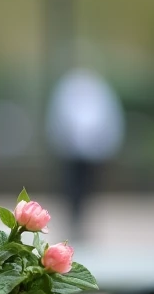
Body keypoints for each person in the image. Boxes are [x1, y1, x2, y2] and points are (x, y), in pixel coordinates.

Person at [44, 66, 125, 238]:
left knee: (85, 188)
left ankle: (81, 221)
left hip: (90, 152)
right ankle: (75, 221)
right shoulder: (74, 90)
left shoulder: (88, 91)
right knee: (73, 188)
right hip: (72, 152)